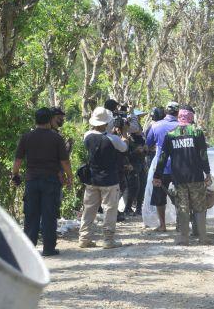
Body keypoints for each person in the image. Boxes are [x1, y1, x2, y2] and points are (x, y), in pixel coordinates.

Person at [12, 107, 74, 256]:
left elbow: (18, 160)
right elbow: (65, 161)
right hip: (51, 181)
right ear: (50, 120)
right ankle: (48, 248)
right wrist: (69, 177)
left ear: (36, 119)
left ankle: (29, 250)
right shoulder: (56, 138)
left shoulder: (27, 137)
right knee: (49, 215)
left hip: (32, 181)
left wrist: (15, 174)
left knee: (31, 215)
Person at [154, 105, 212, 245]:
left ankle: (184, 238)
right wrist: (207, 172)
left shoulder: (171, 134)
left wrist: (157, 175)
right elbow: (203, 155)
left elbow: (163, 156)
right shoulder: (197, 132)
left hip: (178, 178)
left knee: (183, 208)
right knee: (199, 207)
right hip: (196, 176)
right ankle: (203, 238)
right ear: (191, 117)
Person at [78, 107, 128, 249]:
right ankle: (108, 239)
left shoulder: (87, 136)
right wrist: (124, 133)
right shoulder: (113, 139)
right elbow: (124, 148)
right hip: (109, 180)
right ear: (106, 123)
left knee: (89, 209)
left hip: (92, 179)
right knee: (110, 210)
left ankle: (84, 238)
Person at [145, 101, 179, 231]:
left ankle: (163, 225)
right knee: (181, 195)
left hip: (161, 166)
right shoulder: (182, 126)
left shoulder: (156, 126)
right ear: (177, 112)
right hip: (179, 167)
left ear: (166, 112)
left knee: (159, 196)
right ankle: (180, 223)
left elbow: (148, 144)